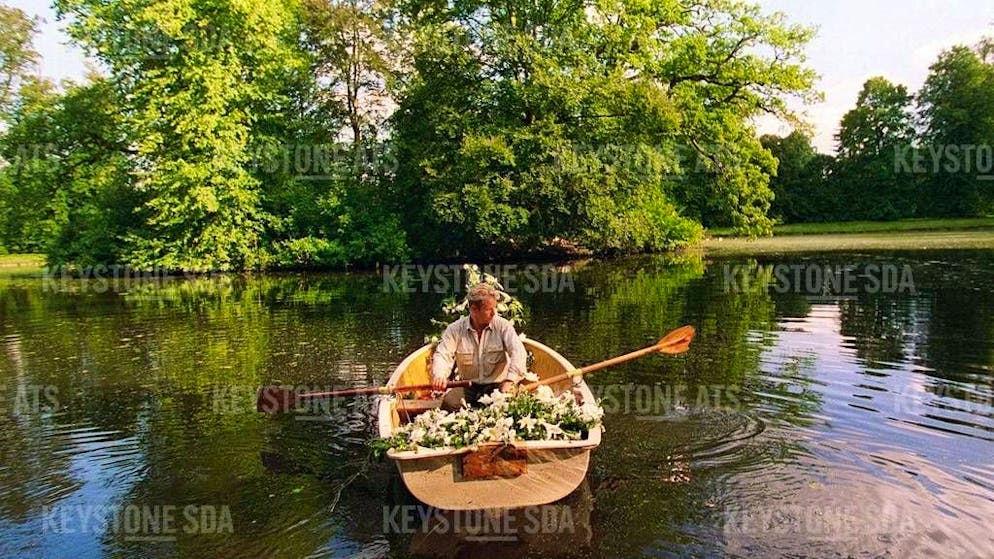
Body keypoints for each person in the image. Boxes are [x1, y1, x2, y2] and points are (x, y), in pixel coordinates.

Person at [430, 282, 528, 410]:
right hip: (469, 386)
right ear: (474, 310)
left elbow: (518, 353)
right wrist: (440, 375)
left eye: (495, 308)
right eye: (489, 309)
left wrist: (510, 381)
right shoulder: (455, 329)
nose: (494, 313)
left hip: (498, 385)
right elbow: (443, 355)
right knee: (450, 403)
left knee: (506, 405)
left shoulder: (503, 326)